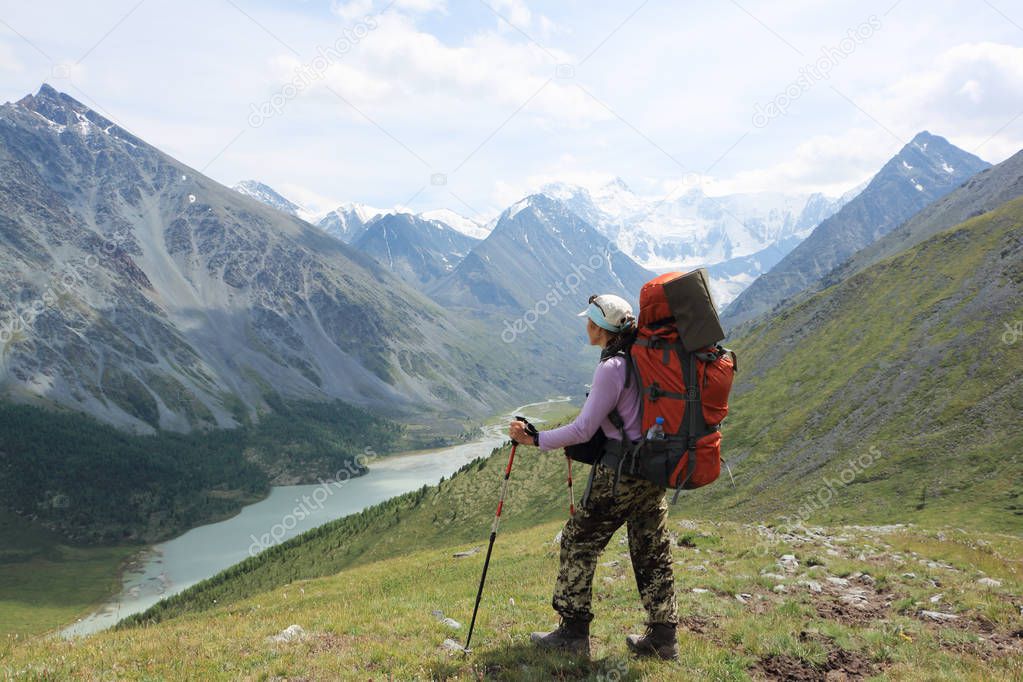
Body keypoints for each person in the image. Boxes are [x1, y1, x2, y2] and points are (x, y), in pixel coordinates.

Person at [508, 294, 679, 660]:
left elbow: (584, 429)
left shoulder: (611, 368)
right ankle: (664, 638)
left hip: (619, 474)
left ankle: (573, 633)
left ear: (601, 328)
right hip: (653, 468)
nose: (585, 325)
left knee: (577, 542)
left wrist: (536, 439)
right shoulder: (644, 358)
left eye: (589, 321)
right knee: (651, 548)